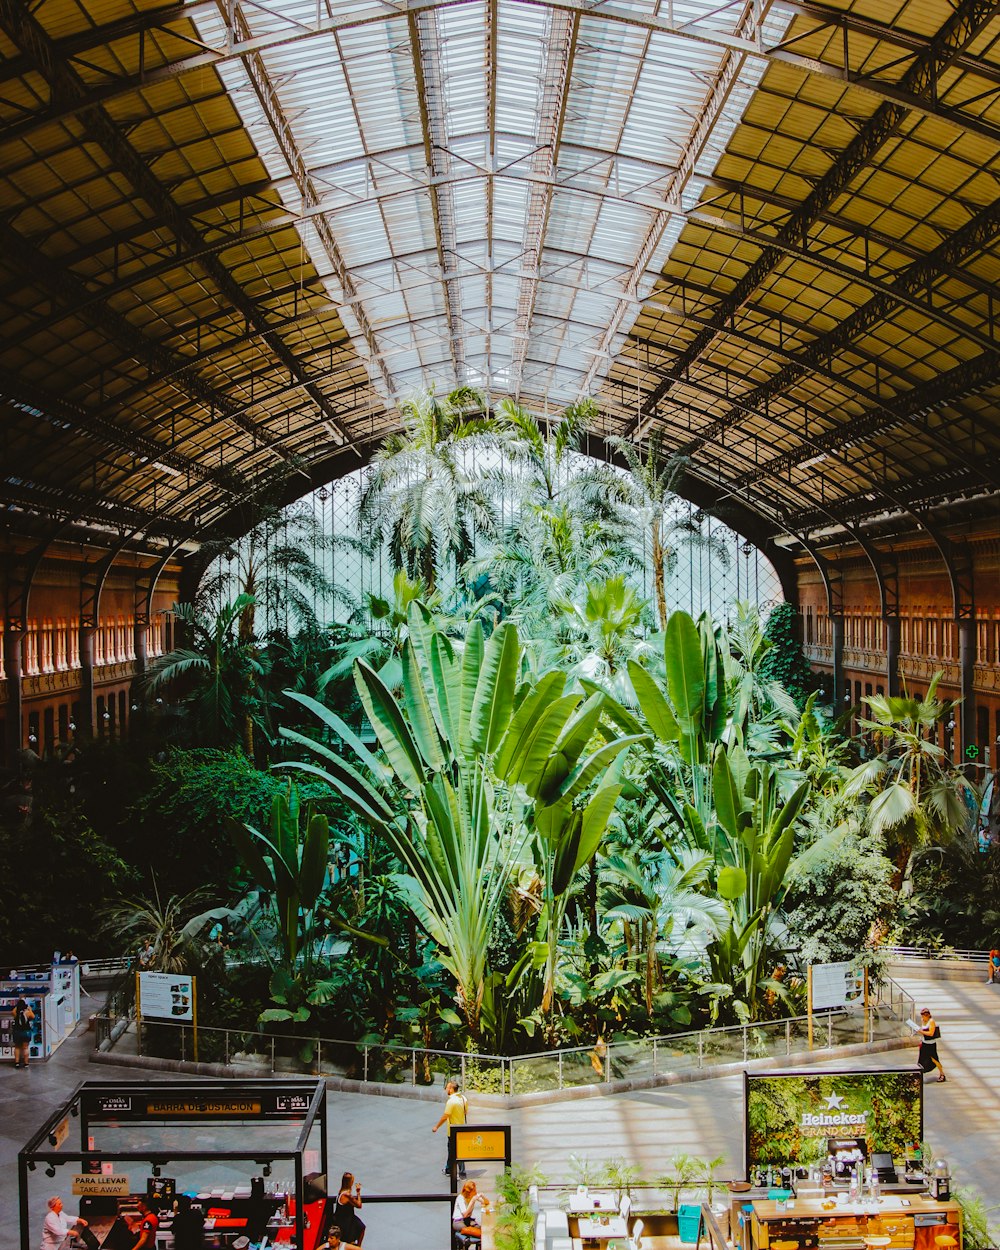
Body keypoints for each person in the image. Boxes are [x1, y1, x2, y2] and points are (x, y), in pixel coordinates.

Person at [432, 1078, 468, 1178]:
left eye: (447, 1088)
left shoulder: (451, 1101)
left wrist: (436, 1127)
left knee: (452, 1151)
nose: (446, 1089)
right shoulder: (463, 1098)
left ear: (451, 1089)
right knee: (460, 1150)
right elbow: (466, 1112)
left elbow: (445, 1116)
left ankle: (450, 1170)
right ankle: (461, 1171)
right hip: (462, 1129)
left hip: (452, 1130)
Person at [452, 1179, 490, 1244]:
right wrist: (472, 1201)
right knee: (470, 1231)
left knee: (480, 1229)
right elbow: (465, 1214)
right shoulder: (460, 1198)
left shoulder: (473, 1196)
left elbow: (486, 1202)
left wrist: (483, 1196)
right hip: (459, 1222)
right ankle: (466, 1242)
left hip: (468, 1220)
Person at [333, 1172, 365, 1246]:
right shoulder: (347, 1195)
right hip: (346, 1222)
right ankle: (358, 1247)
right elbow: (359, 1205)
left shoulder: (340, 1192)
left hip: (341, 1218)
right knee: (361, 1227)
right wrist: (358, 1193)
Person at [917, 1006, 946, 1081]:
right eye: (922, 1016)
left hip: (931, 1044)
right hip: (924, 1043)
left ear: (928, 1015)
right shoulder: (923, 1020)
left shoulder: (931, 1021)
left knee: (935, 1059)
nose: (923, 1018)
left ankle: (942, 1074)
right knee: (921, 1059)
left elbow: (931, 1033)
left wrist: (921, 1031)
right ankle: (919, 1075)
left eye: (924, 1016)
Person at [12, 996, 35, 1069]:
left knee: (17, 1047)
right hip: (26, 1032)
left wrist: (17, 1006)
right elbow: (33, 1016)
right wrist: (29, 1009)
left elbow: (13, 1011)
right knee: (25, 1048)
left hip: (17, 1032)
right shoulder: (27, 1012)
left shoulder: (15, 1013)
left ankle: (17, 1063)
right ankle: (26, 1063)